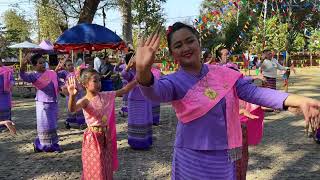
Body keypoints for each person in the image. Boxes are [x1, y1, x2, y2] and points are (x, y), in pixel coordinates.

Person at [134, 22, 320, 179]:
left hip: (224, 157)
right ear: (173, 54)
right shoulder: (173, 81)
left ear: (199, 43)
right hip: (190, 157)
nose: (186, 48)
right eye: (178, 45)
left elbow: (256, 93)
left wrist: (299, 100)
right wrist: (142, 71)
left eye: (190, 41)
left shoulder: (225, 75)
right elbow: (154, 93)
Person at [66, 68, 137, 180]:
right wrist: (72, 95)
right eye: (95, 81)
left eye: (99, 80)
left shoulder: (105, 96)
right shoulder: (85, 101)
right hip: (92, 139)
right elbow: (72, 109)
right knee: (96, 167)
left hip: (106, 137)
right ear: (85, 84)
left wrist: (138, 79)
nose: (99, 84)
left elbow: (124, 90)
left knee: (106, 166)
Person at [20, 53, 63, 153]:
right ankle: (44, 145)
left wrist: (63, 87)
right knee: (45, 125)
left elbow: (59, 83)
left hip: (53, 102)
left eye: (44, 62)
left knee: (52, 124)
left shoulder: (51, 73)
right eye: (40, 63)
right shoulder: (34, 76)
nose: (43, 64)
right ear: (34, 65)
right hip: (43, 104)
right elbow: (23, 76)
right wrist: (22, 65)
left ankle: (51, 143)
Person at [121, 56, 153, 150]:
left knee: (144, 120)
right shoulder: (131, 72)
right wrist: (128, 66)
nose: (135, 62)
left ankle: (144, 142)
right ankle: (135, 142)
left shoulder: (145, 71)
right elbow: (123, 75)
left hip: (145, 100)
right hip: (134, 100)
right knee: (134, 121)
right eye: (134, 61)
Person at [56, 59, 86, 129]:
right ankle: (69, 122)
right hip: (70, 94)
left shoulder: (77, 71)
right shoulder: (64, 73)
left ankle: (81, 122)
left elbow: (84, 71)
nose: (71, 66)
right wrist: (58, 68)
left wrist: (81, 68)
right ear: (65, 67)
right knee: (71, 108)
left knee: (79, 107)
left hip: (79, 93)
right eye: (68, 65)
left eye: (71, 64)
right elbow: (55, 74)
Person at [0, 60, 14, 131]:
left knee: (5, 108)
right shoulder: (8, 70)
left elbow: (12, 79)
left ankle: (6, 125)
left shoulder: (7, 70)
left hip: (5, 94)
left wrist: (11, 84)